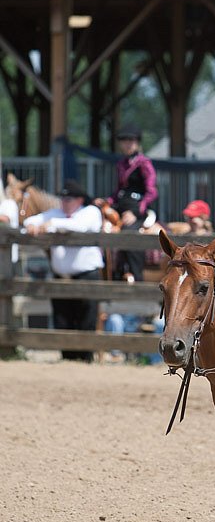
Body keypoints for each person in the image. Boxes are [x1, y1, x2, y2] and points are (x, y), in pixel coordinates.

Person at [23, 179, 104, 363]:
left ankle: (85, 358)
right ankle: (67, 357)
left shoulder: (90, 212)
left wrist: (51, 224)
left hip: (86, 274)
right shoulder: (57, 214)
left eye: (70, 199)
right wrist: (32, 225)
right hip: (62, 275)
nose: (65, 203)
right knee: (62, 318)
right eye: (64, 199)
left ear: (80, 200)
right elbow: (31, 219)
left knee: (86, 319)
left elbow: (79, 227)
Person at [96, 125, 158, 282]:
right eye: (124, 140)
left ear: (137, 143)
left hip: (137, 209)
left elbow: (152, 192)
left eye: (131, 140)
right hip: (120, 207)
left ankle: (137, 277)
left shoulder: (144, 163)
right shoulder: (121, 164)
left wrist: (136, 212)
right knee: (98, 225)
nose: (127, 144)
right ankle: (106, 274)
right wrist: (106, 202)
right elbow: (119, 191)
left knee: (129, 234)